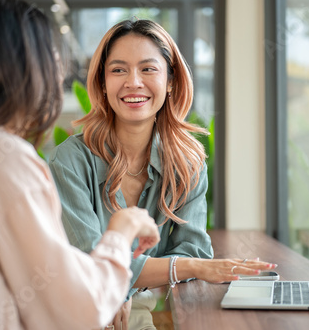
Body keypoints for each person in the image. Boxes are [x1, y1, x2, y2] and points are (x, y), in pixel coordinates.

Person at [0, 0, 160, 330]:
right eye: (52, 57)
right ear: (25, 67)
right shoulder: (1, 157)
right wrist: (123, 229)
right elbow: (76, 311)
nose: (58, 71)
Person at [48, 19, 277, 329]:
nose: (133, 82)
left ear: (170, 80)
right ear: (102, 83)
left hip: (133, 312)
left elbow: (191, 247)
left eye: (148, 69)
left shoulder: (187, 163)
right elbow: (91, 262)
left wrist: (126, 286)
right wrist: (184, 268)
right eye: (118, 70)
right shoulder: (70, 160)